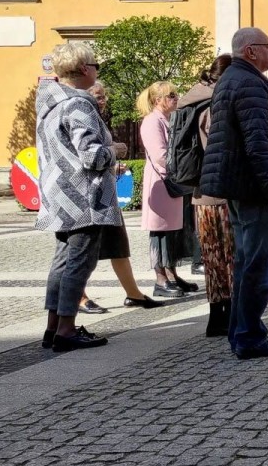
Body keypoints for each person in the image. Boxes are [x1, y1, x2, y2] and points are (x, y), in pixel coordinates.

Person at [200, 27, 268, 359]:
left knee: (247, 263)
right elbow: (258, 146)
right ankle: (248, 336)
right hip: (256, 191)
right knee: (261, 266)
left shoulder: (234, 79)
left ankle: (243, 331)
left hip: (243, 188)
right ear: (251, 51)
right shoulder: (249, 84)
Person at [34, 42, 122, 352]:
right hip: (84, 196)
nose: (97, 71)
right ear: (84, 69)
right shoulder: (79, 104)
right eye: (96, 65)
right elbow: (91, 156)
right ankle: (67, 330)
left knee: (61, 263)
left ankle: (53, 326)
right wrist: (114, 151)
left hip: (58, 194)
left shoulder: (49, 103)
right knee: (79, 264)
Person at [77, 82, 162, 313]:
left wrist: (112, 163)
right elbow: (86, 157)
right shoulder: (81, 118)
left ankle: (133, 293)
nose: (102, 100)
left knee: (118, 245)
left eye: (104, 96)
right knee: (84, 250)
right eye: (98, 96)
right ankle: (79, 296)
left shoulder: (97, 119)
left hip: (106, 194)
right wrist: (114, 150)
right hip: (88, 198)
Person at [178, 55, 236, 337]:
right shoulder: (215, 104)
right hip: (222, 192)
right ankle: (233, 315)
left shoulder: (192, 100)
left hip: (200, 193)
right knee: (232, 256)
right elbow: (222, 147)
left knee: (212, 257)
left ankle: (216, 316)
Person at [137, 81, 199, 297]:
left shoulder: (168, 119)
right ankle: (160, 279)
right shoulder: (152, 121)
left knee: (174, 231)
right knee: (161, 232)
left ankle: (172, 274)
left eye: (175, 94)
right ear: (158, 100)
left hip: (173, 181)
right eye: (171, 95)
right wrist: (181, 169)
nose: (176, 98)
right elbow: (160, 155)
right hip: (161, 182)